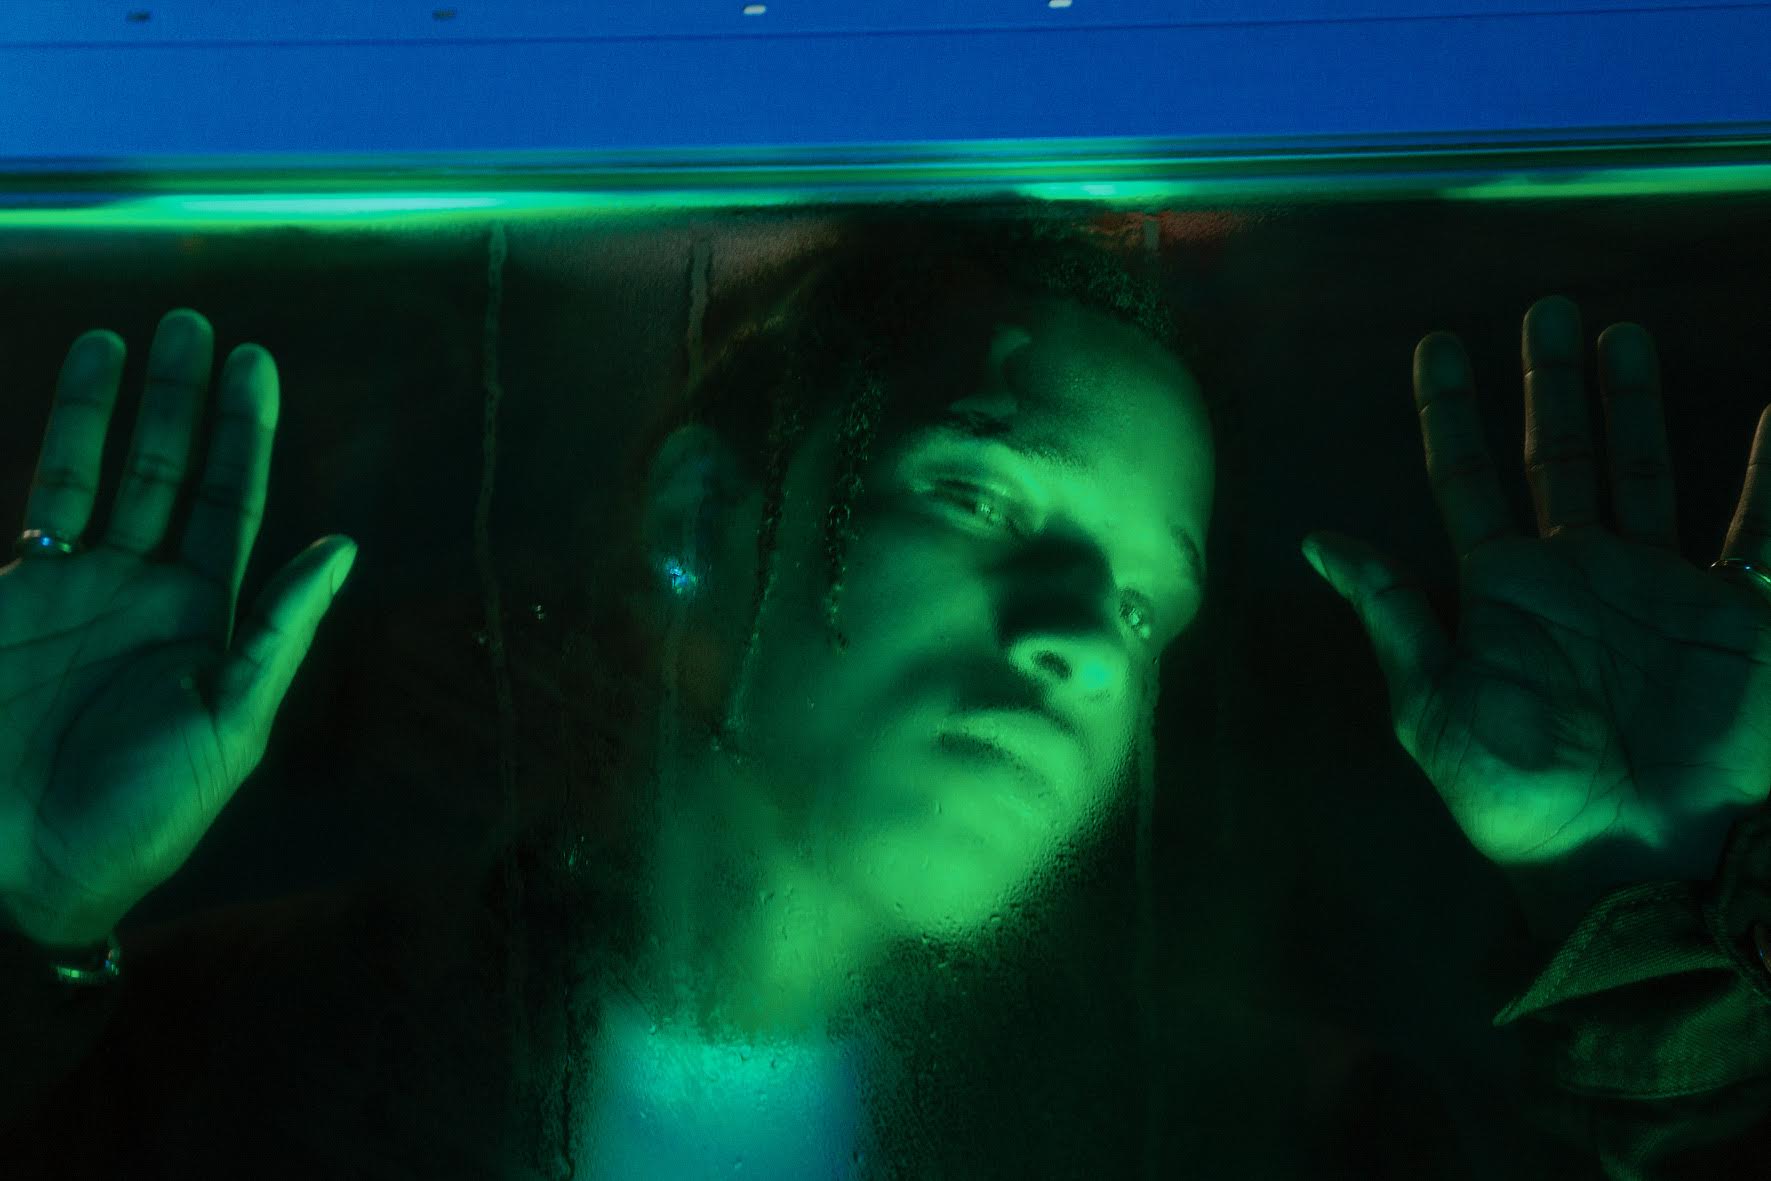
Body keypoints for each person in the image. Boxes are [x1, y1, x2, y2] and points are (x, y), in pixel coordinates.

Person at [0, 208, 1768, 1179]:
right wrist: (19, 909)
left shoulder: (1269, 1143)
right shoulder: (234, 1055)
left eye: (1146, 599)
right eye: (982, 495)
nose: (1084, 635)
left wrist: (1642, 910)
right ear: (704, 523)